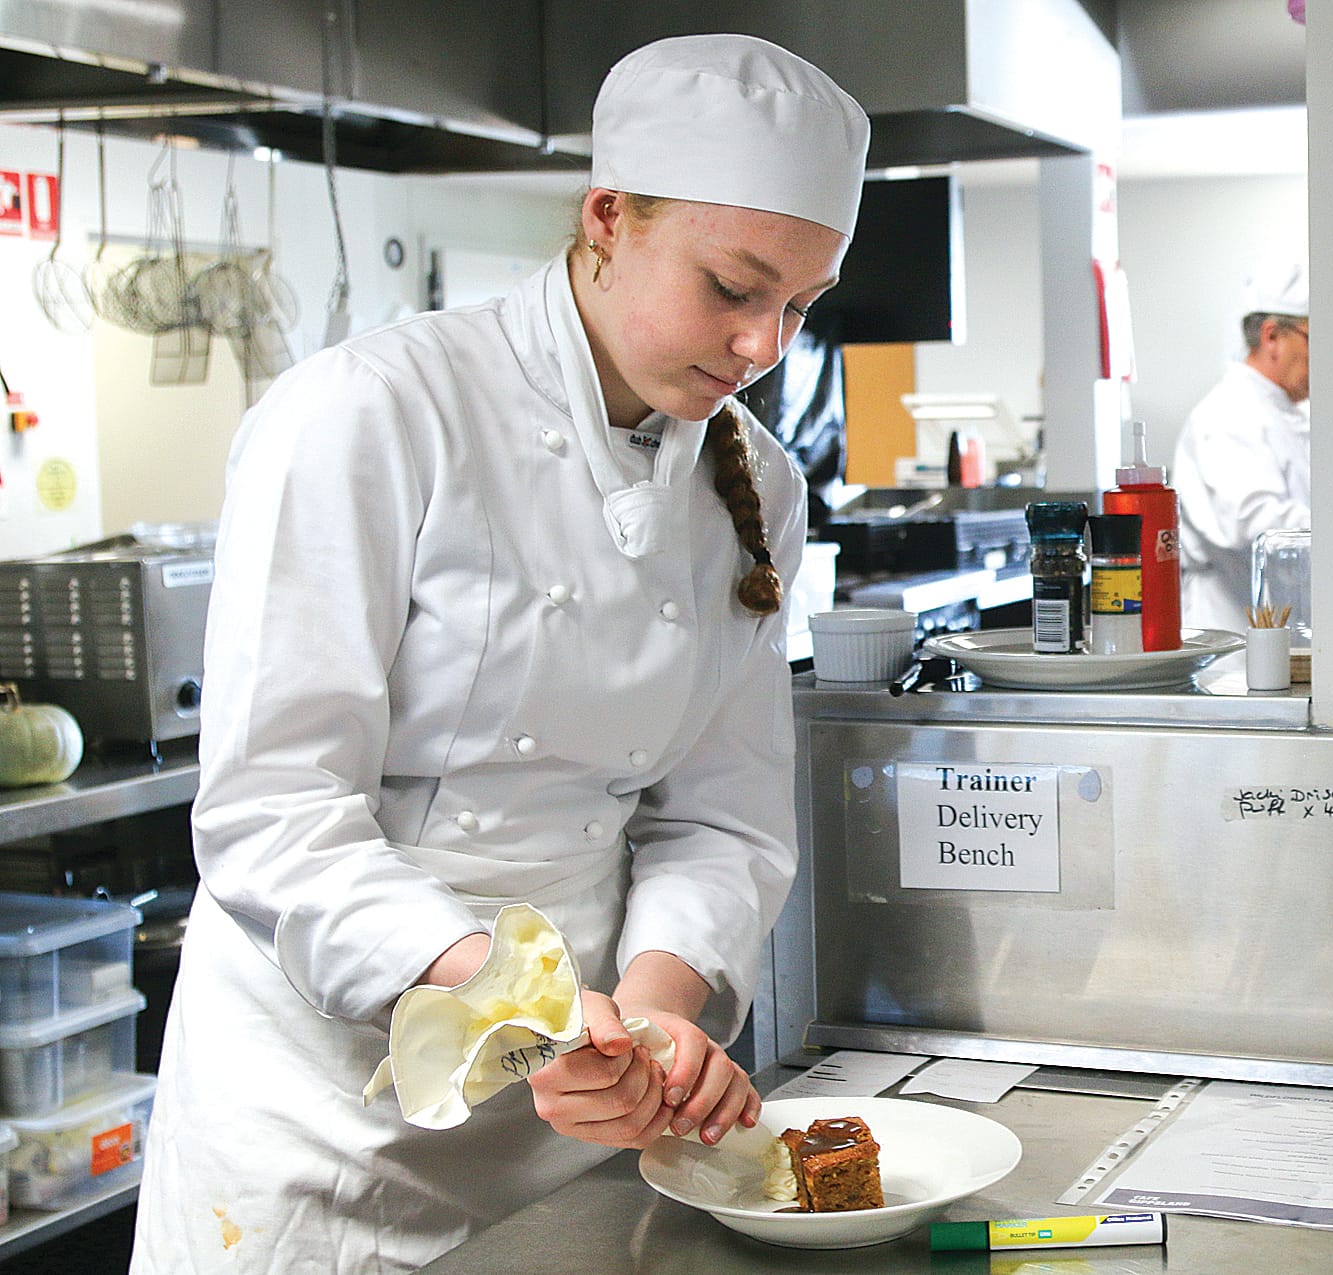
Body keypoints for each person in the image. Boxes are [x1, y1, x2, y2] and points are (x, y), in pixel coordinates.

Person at [130, 34, 869, 1274]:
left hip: (575, 1106)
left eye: (798, 305)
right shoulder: (370, 414)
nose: (763, 348)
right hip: (320, 1118)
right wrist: (518, 1008)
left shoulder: (759, 485)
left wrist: (652, 1019)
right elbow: (271, 813)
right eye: (732, 289)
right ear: (607, 218)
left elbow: (721, 822)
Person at [1171, 263, 1311, 632]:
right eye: (1314, 339)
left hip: (1270, 629)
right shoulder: (1230, 414)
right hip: (1230, 636)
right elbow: (1255, 523)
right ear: (1272, 337)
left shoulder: (1283, 412)